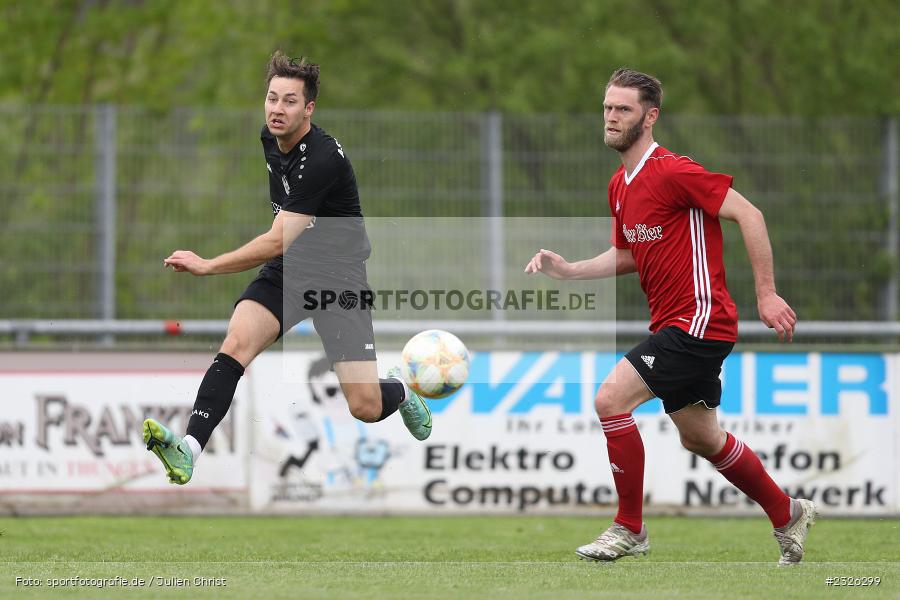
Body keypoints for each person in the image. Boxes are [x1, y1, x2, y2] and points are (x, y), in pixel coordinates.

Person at [525, 68, 815, 566]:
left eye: (624, 110)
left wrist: (766, 294)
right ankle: (786, 511)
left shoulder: (674, 171)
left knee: (610, 399)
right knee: (700, 436)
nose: (612, 118)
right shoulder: (620, 185)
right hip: (677, 325)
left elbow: (751, 215)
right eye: (607, 108)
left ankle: (629, 528)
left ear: (650, 116)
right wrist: (569, 270)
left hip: (700, 320)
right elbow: (629, 253)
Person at [142, 51, 431, 486]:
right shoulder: (270, 139)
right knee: (236, 343)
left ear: (309, 108)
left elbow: (277, 237)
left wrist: (207, 265)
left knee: (366, 407)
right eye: (272, 98)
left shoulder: (322, 159)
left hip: (339, 282)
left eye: (290, 101)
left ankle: (401, 389)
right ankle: (189, 449)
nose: (277, 109)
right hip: (290, 270)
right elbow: (285, 244)